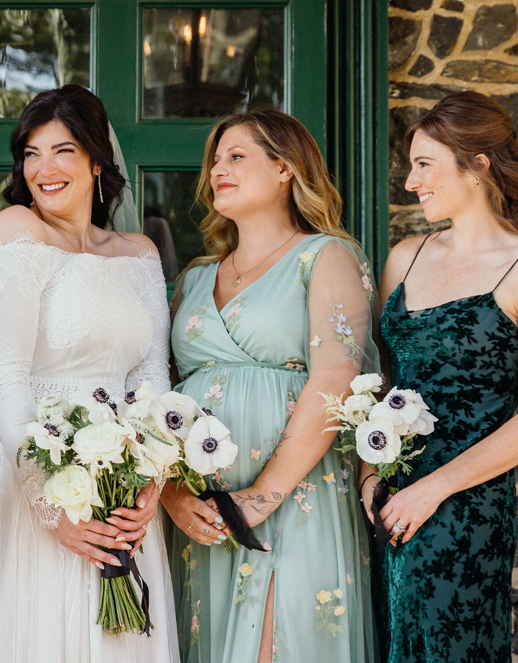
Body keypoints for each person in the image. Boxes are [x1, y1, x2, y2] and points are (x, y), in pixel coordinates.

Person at [0, 84, 178, 663]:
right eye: (31, 153)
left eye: (63, 152)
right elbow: (4, 377)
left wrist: (150, 480)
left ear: (97, 161)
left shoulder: (139, 253)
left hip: (122, 488)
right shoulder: (16, 231)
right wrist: (52, 508)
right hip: (35, 480)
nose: (43, 169)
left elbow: (153, 372)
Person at [162, 110, 379, 663]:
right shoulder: (192, 278)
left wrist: (261, 498)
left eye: (237, 156)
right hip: (203, 517)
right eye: (215, 160)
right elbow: (157, 396)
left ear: (285, 168)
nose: (218, 170)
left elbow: (337, 378)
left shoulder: (326, 255)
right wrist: (174, 495)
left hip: (293, 502)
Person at [371, 91, 518, 662]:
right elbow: (382, 383)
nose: (411, 182)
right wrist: (369, 477)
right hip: (385, 499)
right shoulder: (404, 257)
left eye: (424, 165)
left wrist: (433, 489)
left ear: (478, 164)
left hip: (465, 508)